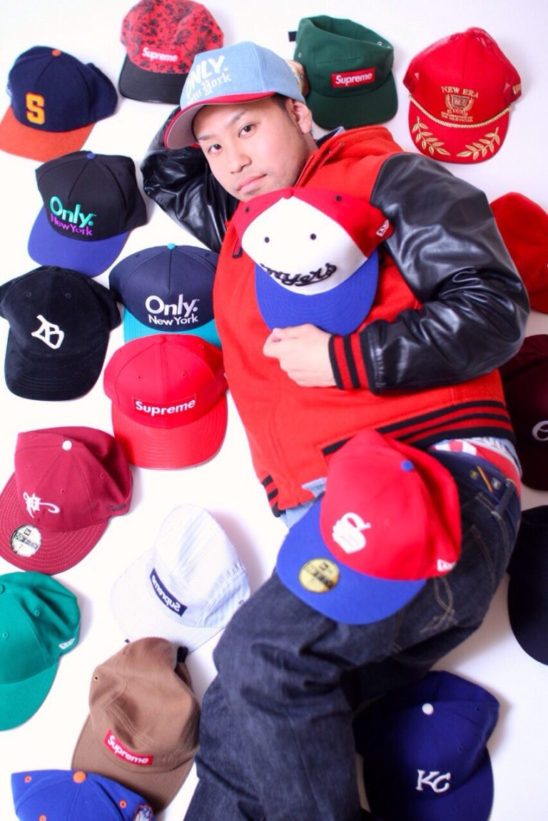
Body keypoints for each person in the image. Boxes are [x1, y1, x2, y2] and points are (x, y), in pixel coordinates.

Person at [143, 41, 528, 821]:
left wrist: (348, 357)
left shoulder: (386, 177)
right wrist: (206, 103)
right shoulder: (246, 233)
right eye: (213, 145)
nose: (231, 160)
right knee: (240, 731)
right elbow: (168, 172)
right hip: (343, 515)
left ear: (300, 111)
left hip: (430, 481)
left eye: (248, 128)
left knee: (261, 658)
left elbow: (494, 309)